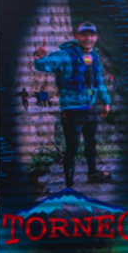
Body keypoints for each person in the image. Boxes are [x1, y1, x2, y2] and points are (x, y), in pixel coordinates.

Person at [33, 21, 111, 187]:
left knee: (91, 143)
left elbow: (98, 81)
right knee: (72, 148)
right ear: (77, 36)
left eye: (91, 35)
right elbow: (45, 64)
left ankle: (92, 173)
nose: (88, 38)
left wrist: (105, 102)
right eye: (84, 35)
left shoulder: (94, 57)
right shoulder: (65, 55)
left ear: (95, 37)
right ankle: (69, 184)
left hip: (90, 109)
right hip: (72, 111)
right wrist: (39, 58)